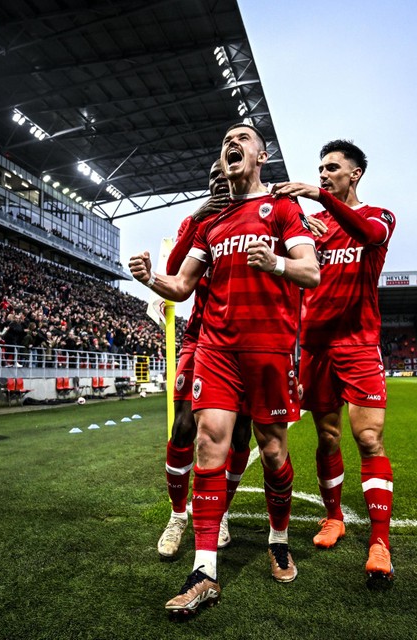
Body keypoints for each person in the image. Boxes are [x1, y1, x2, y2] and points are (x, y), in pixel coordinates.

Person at [129, 123, 320, 614]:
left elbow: (311, 271)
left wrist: (275, 263)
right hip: (215, 347)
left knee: (274, 452)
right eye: (226, 140)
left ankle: (279, 537)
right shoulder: (210, 224)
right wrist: (152, 277)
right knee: (208, 439)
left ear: (261, 155)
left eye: (243, 138)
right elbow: (181, 285)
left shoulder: (281, 209)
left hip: (269, 351)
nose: (232, 143)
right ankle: (205, 569)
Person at [271, 139, 398, 586]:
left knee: (368, 437)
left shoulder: (378, 217)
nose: (323, 174)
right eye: (320, 169)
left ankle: (379, 542)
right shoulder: (315, 225)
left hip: (359, 345)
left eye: (332, 168)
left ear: (354, 174)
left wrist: (319, 196)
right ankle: (334, 517)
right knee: (326, 436)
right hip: (315, 346)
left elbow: (368, 236)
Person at [156, 161, 253, 560]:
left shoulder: (256, 216)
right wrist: (197, 217)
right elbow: (174, 271)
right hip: (200, 337)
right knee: (183, 428)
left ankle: (222, 510)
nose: (218, 182)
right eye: (211, 178)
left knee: (241, 435)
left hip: (247, 340)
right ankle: (178, 516)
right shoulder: (196, 223)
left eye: (223, 176)